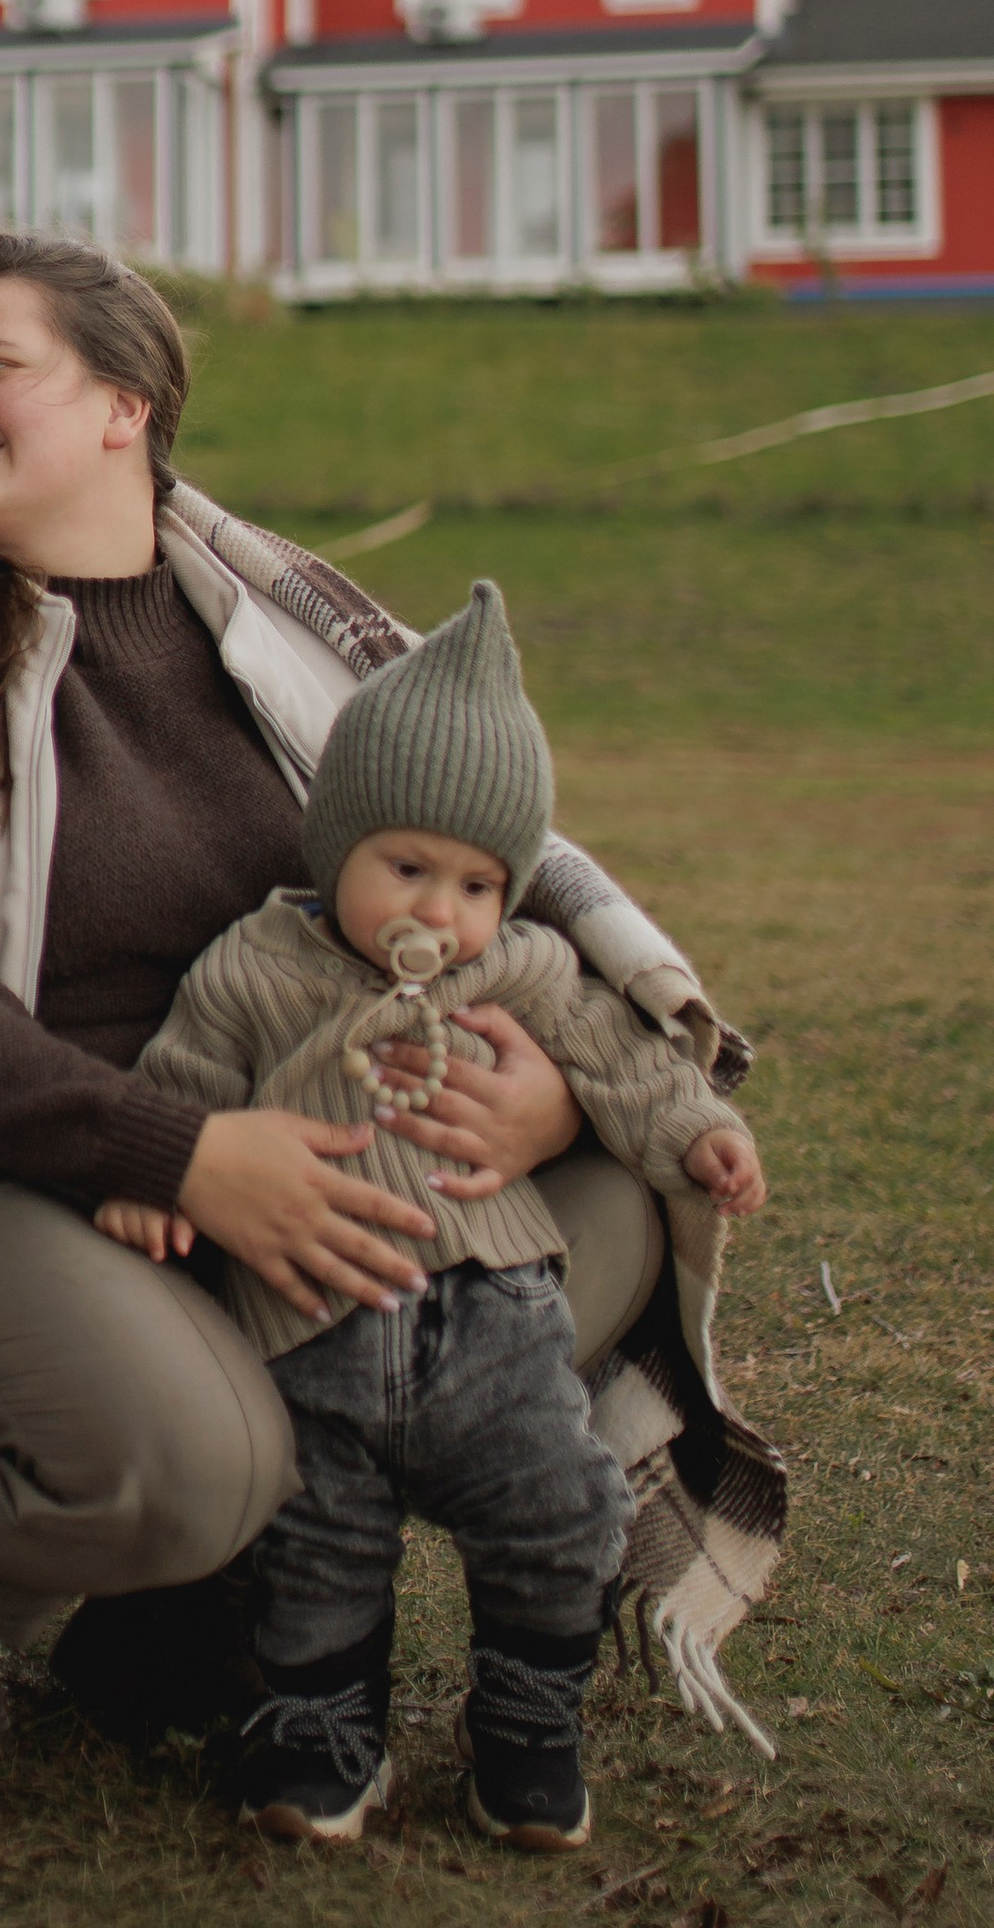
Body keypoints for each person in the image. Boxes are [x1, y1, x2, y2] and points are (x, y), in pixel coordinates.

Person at [0, 231, 725, 1759]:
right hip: (6, 1165)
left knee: (618, 1195)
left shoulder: (285, 640)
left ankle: (192, 1607)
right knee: (204, 1463)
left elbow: (478, 877)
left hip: (287, 1149)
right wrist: (175, 1152)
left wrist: (543, 1100)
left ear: (127, 403)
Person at [121, 577, 767, 1851]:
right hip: (309, 1316)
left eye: (476, 884)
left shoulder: (520, 967)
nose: (438, 912)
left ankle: (526, 1713)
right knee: (316, 1534)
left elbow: (620, 1060)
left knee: (556, 1505)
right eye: (405, 868)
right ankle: (324, 1728)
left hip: (495, 1313)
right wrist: (153, 1176)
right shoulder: (255, 966)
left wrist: (701, 1132)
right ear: (333, 844)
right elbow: (181, 1086)